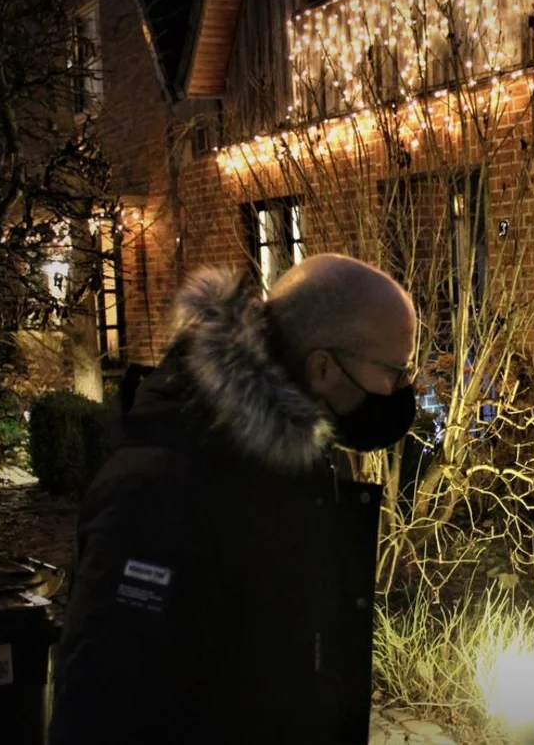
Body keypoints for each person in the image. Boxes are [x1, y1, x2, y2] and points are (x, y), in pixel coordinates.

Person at [49, 255, 418, 744]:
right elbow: (100, 707)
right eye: (393, 370)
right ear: (323, 366)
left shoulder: (294, 456)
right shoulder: (157, 491)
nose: (400, 389)